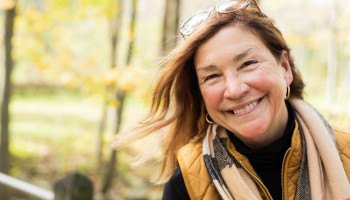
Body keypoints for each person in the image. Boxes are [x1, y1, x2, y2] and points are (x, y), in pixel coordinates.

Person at [113, 0, 350, 199]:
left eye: (248, 64)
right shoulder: (186, 183)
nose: (234, 90)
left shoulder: (346, 155)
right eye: (212, 76)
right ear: (201, 94)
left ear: (284, 68)